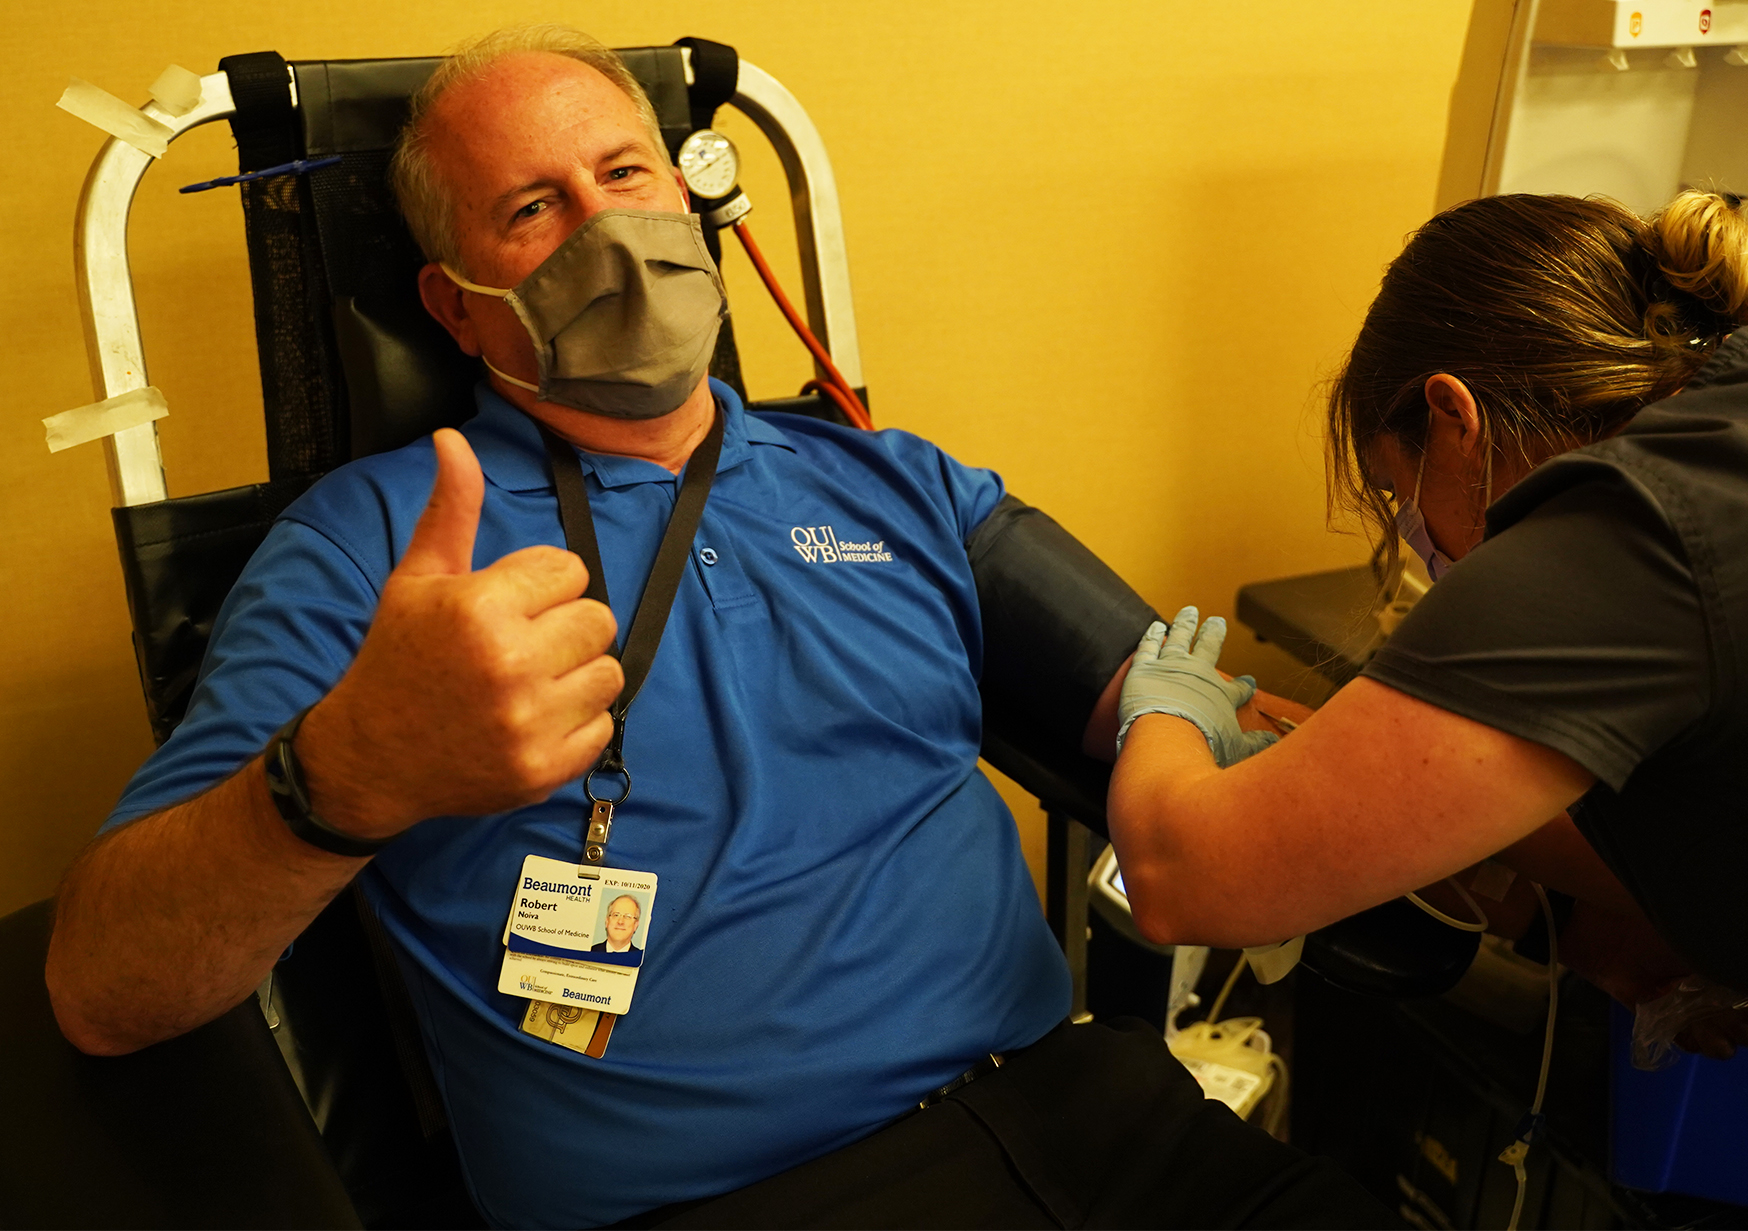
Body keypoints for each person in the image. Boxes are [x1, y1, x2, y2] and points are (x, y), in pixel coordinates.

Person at [44, 25, 1386, 1229]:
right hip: (746, 1199)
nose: (606, 227)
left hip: (1099, 1120)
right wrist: (347, 771)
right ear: (454, 303)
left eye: (625, 173)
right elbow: (106, 982)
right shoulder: (374, 549)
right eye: (533, 207)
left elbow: (1181, 702)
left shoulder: (897, 479)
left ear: (692, 193)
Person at [1108, 190, 1748, 1059]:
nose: (1411, 531)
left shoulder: (1620, 542)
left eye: (1393, 490)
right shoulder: (1717, 430)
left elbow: (1183, 878)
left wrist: (1164, 714)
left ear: (1454, 420)